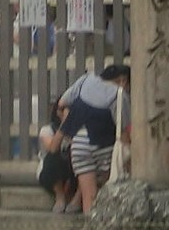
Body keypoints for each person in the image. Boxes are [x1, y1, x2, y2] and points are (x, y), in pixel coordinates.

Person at [44, 65, 130, 213]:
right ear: (122, 81)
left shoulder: (86, 80)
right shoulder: (120, 94)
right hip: (104, 145)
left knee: (89, 198)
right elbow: (123, 130)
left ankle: (90, 228)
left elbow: (62, 103)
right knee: (107, 191)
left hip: (79, 144)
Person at [37, 95, 77, 213]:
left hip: (72, 170)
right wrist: (64, 125)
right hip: (50, 172)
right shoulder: (47, 130)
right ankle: (60, 196)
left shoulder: (78, 129)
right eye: (62, 109)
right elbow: (52, 148)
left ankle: (75, 198)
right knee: (53, 157)